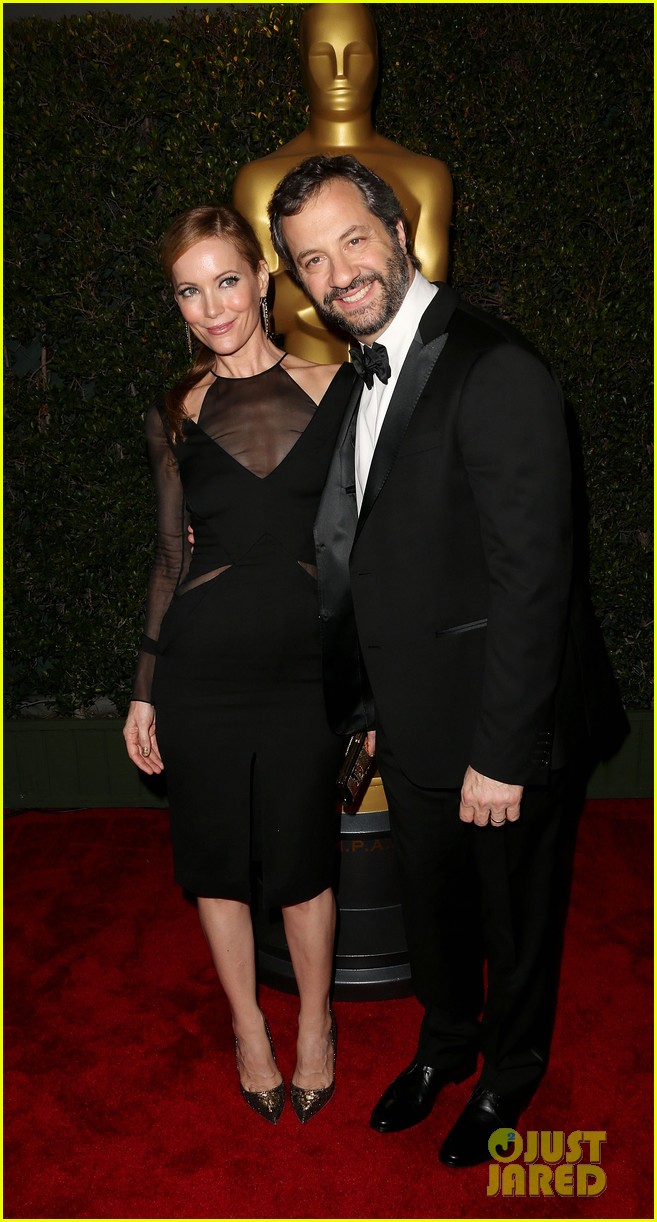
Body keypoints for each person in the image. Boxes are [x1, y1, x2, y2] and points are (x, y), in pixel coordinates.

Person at [268, 154, 622, 1164]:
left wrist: (502, 753)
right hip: (411, 717)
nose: (338, 273)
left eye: (352, 239)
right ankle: (446, 1043)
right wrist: (372, 697)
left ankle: (510, 1072)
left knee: (513, 923)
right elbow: (380, 552)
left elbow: (533, 583)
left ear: (399, 227)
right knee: (432, 908)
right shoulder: (359, 373)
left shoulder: (497, 368)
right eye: (312, 260)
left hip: (505, 726)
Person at [123, 204, 358, 1125]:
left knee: (304, 865)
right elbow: (170, 556)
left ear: (263, 279)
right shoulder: (175, 409)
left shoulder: (338, 387)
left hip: (305, 667)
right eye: (190, 289)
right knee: (218, 865)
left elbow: (361, 546)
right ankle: (247, 1029)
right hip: (202, 670)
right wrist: (144, 690)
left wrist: (367, 686)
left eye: (226, 280)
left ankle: (313, 1025)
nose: (211, 305)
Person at [233, 2, 452, 363]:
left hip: (406, 373)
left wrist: (305, 291)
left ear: (377, 62)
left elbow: (431, 299)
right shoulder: (260, 181)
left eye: (357, 54)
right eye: (323, 56)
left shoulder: (425, 176)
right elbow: (265, 304)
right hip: (306, 384)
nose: (340, 73)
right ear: (302, 64)